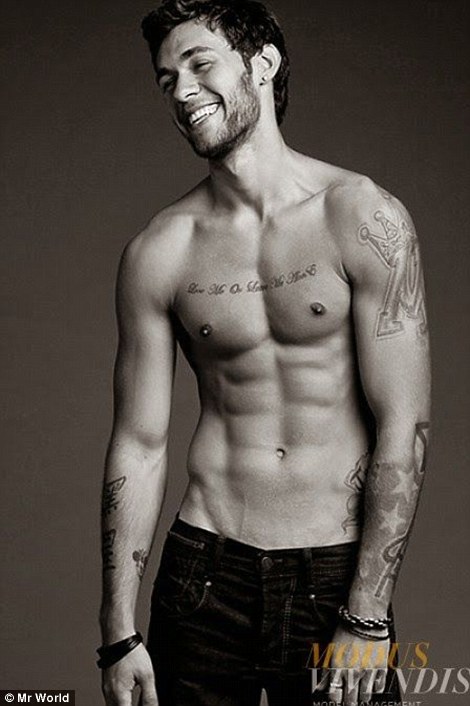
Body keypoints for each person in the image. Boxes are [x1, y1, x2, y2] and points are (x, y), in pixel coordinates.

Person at [98, 1, 431, 704]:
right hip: (203, 575)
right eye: (166, 80)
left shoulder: (362, 216)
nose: (182, 91)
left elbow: (404, 425)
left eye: (200, 64)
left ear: (263, 64)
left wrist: (367, 613)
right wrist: (119, 630)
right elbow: (139, 443)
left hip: (334, 578)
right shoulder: (159, 251)